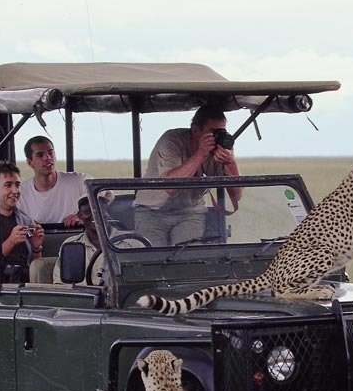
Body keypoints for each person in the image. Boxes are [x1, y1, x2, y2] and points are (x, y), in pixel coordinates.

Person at [132, 105, 243, 246]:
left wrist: (230, 162)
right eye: (213, 132)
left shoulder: (219, 148)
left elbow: (237, 195)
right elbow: (170, 187)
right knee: (153, 261)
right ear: (196, 131)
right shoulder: (171, 140)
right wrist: (201, 153)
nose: (217, 137)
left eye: (222, 131)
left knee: (188, 257)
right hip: (153, 211)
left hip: (189, 212)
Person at [52, 196, 144, 285]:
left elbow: (142, 281)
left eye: (100, 210)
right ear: (80, 216)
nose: (95, 215)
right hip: (84, 299)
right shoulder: (71, 245)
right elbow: (61, 284)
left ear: (108, 212)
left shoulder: (133, 243)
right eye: (88, 211)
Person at [16, 136, 93, 227]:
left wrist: (82, 216)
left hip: (77, 239)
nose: (47, 158)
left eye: (50, 153)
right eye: (40, 155)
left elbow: (107, 194)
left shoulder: (79, 180)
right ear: (30, 162)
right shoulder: (21, 193)